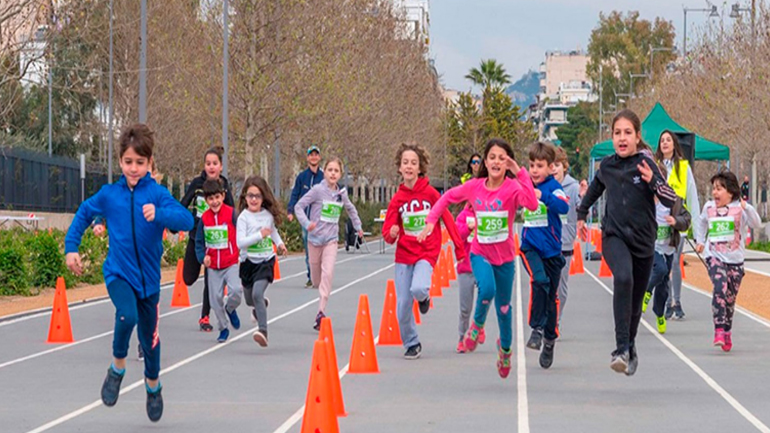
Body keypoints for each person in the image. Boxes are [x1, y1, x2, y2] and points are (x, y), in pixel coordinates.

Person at [65, 124, 194, 422]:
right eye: (127, 162)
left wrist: (160, 214)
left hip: (149, 283)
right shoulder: (110, 195)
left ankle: (153, 386)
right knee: (127, 315)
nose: (133, 168)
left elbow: (186, 219)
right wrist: (71, 247)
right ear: (120, 162)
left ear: (150, 163)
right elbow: (85, 212)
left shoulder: (159, 195)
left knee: (150, 341)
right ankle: (117, 367)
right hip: (118, 273)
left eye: (139, 162)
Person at [418, 138, 538, 379]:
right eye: (492, 157)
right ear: (485, 161)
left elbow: (532, 205)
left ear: (507, 163)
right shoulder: (474, 187)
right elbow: (446, 198)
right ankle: (476, 326)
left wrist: (519, 171)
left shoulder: (513, 188)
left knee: (504, 308)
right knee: (487, 290)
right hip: (480, 252)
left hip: (504, 259)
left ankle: (505, 350)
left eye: (501, 158)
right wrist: (431, 221)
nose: (496, 162)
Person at [577, 109, 677, 376]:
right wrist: (581, 214)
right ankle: (621, 348)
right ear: (612, 137)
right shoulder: (607, 166)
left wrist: (653, 181)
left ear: (637, 136)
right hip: (614, 236)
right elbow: (595, 189)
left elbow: (670, 200)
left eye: (627, 133)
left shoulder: (646, 164)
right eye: (617, 133)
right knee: (623, 278)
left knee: (634, 301)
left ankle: (630, 347)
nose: (622, 138)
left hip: (644, 242)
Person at [381, 143, 465, 359]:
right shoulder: (397, 199)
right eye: (405, 163)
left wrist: (459, 248)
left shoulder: (430, 193)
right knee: (402, 307)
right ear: (399, 168)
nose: (409, 166)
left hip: (427, 251)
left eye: (413, 163)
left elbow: (447, 218)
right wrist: (392, 232)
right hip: (404, 255)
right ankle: (412, 342)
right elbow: (388, 235)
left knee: (418, 288)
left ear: (420, 168)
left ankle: (424, 297)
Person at [695, 171, 762, 352]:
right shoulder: (708, 207)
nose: (715, 193)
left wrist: (746, 206)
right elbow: (701, 223)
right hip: (714, 256)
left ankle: (727, 331)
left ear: (731, 192)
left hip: (735, 260)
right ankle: (718, 329)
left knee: (730, 299)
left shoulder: (740, 208)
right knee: (719, 288)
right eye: (714, 189)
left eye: (720, 189)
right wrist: (700, 241)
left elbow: (757, 223)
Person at [295, 157, 363, 330]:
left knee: (328, 273)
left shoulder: (342, 194)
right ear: (324, 172)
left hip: (331, 241)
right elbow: (298, 207)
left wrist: (358, 227)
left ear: (340, 174)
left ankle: (320, 312)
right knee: (317, 279)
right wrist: (306, 224)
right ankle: (319, 290)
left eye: (336, 171)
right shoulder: (317, 190)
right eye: (330, 170)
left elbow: (351, 209)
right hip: (314, 240)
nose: (333, 173)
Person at [520, 142, 568, 369]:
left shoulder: (552, 187)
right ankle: (536, 330)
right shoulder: (525, 184)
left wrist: (543, 197)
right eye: (532, 166)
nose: (535, 170)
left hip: (552, 252)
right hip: (530, 247)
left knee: (551, 298)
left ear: (550, 168)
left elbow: (563, 207)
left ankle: (549, 340)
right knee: (539, 280)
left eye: (539, 166)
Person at [179, 148, 235, 332]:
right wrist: (175, 221)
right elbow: (183, 204)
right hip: (197, 236)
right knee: (188, 278)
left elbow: (232, 210)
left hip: (217, 241)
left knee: (209, 280)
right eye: (208, 163)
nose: (211, 167)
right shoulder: (197, 184)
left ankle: (205, 317)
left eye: (215, 163)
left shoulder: (224, 185)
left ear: (220, 166)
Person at [655, 130, 701, 321]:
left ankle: (677, 302)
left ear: (674, 144)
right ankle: (665, 301)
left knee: (675, 262)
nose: (665, 143)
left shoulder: (683, 167)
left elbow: (692, 198)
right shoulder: (654, 167)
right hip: (659, 224)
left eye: (668, 140)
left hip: (677, 224)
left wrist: (697, 233)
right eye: (662, 140)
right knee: (663, 265)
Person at [236, 176, 287, 347]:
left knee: (257, 293)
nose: (253, 199)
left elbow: (272, 232)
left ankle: (263, 330)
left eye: (257, 196)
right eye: (250, 195)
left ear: (263, 198)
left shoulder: (267, 216)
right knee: (250, 300)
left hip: (265, 261)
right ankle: (262, 305)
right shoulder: (243, 218)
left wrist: (279, 244)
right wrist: (259, 235)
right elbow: (240, 242)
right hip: (248, 263)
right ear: (245, 197)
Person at [195, 179, 243, 343]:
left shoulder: (231, 214)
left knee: (236, 290)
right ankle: (223, 328)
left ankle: (230, 308)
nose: (214, 202)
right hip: (213, 266)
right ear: (206, 200)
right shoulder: (204, 219)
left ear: (223, 196)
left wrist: (242, 251)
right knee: (215, 300)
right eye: (210, 199)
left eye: (217, 197)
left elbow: (242, 232)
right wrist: (203, 258)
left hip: (231, 263)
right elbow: (199, 242)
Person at [643, 171, 691, 334]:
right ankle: (647, 291)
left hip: (668, 246)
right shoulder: (646, 200)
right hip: (651, 246)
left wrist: (676, 221)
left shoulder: (674, 200)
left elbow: (687, 219)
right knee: (661, 269)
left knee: (663, 286)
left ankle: (659, 314)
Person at [288, 145, 325, 288]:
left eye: (316, 154)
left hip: (321, 221)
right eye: (311, 155)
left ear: (319, 157)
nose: (314, 157)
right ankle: (311, 276)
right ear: (308, 158)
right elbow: (295, 194)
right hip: (306, 221)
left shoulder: (324, 177)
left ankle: (321, 275)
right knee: (309, 249)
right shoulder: (302, 177)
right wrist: (290, 211)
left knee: (321, 249)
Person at [552, 146, 581, 326]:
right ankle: (547, 321)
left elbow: (582, 206)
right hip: (548, 245)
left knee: (561, 290)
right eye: (550, 165)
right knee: (547, 286)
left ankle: (557, 319)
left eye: (557, 165)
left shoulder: (574, 187)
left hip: (565, 245)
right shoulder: (545, 187)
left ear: (564, 166)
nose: (553, 169)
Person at [454, 204, 483, 353]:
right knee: (465, 308)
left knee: (485, 297)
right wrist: (469, 228)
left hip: (484, 265)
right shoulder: (463, 216)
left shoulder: (488, 212)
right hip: (466, 267)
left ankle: (478, 325)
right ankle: (462, 337)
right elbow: (457, 235)